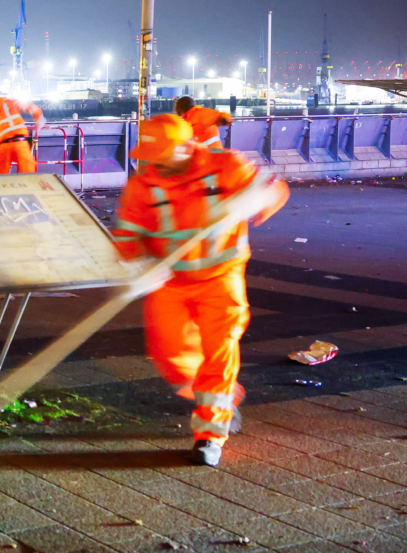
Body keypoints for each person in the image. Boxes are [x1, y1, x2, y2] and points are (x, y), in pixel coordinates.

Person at [112, 113, 288, 467]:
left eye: (161, 154)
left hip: (220, 278)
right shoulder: (143, 185)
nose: (154, 163)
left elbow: (274, 192)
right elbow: (128, 235)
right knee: (171, 357)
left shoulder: (224, 166)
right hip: (171, 282)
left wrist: (251, 201)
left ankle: (210, 435)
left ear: (184, 145)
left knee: (219, 351)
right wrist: (137, 267)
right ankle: (225, 396)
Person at [0, 87, 43, 174]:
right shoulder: (9, 103)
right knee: (29, 173)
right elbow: (30, 107)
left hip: (2, 147)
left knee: (1, 176)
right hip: (20, 143)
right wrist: (38, 118)